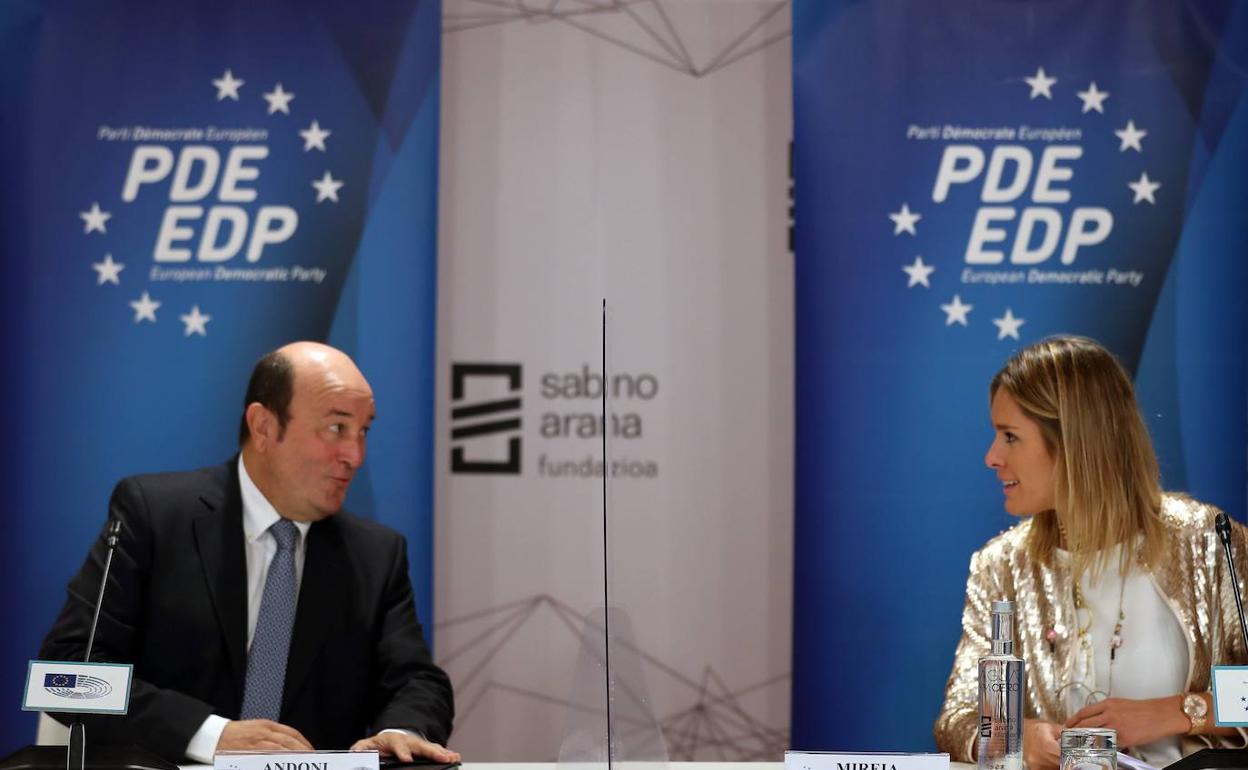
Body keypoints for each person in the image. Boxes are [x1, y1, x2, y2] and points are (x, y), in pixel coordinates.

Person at [40, 342, 458, 763]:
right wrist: (210, 735)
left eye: (363, 431)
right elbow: (65, 676)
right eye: (337, 428)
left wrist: (399, 732)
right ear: (263, 426)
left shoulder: (375, 555)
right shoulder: (154, 516)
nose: (355, 455)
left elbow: (416, 681)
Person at [934, 336, 1247, 769]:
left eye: (1010, 437)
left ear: (1074, 442)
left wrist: (1176, 712)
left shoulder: (1208, 540)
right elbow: (957, 719)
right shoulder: (1000, 566)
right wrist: (1019, 738)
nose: (991, 457)